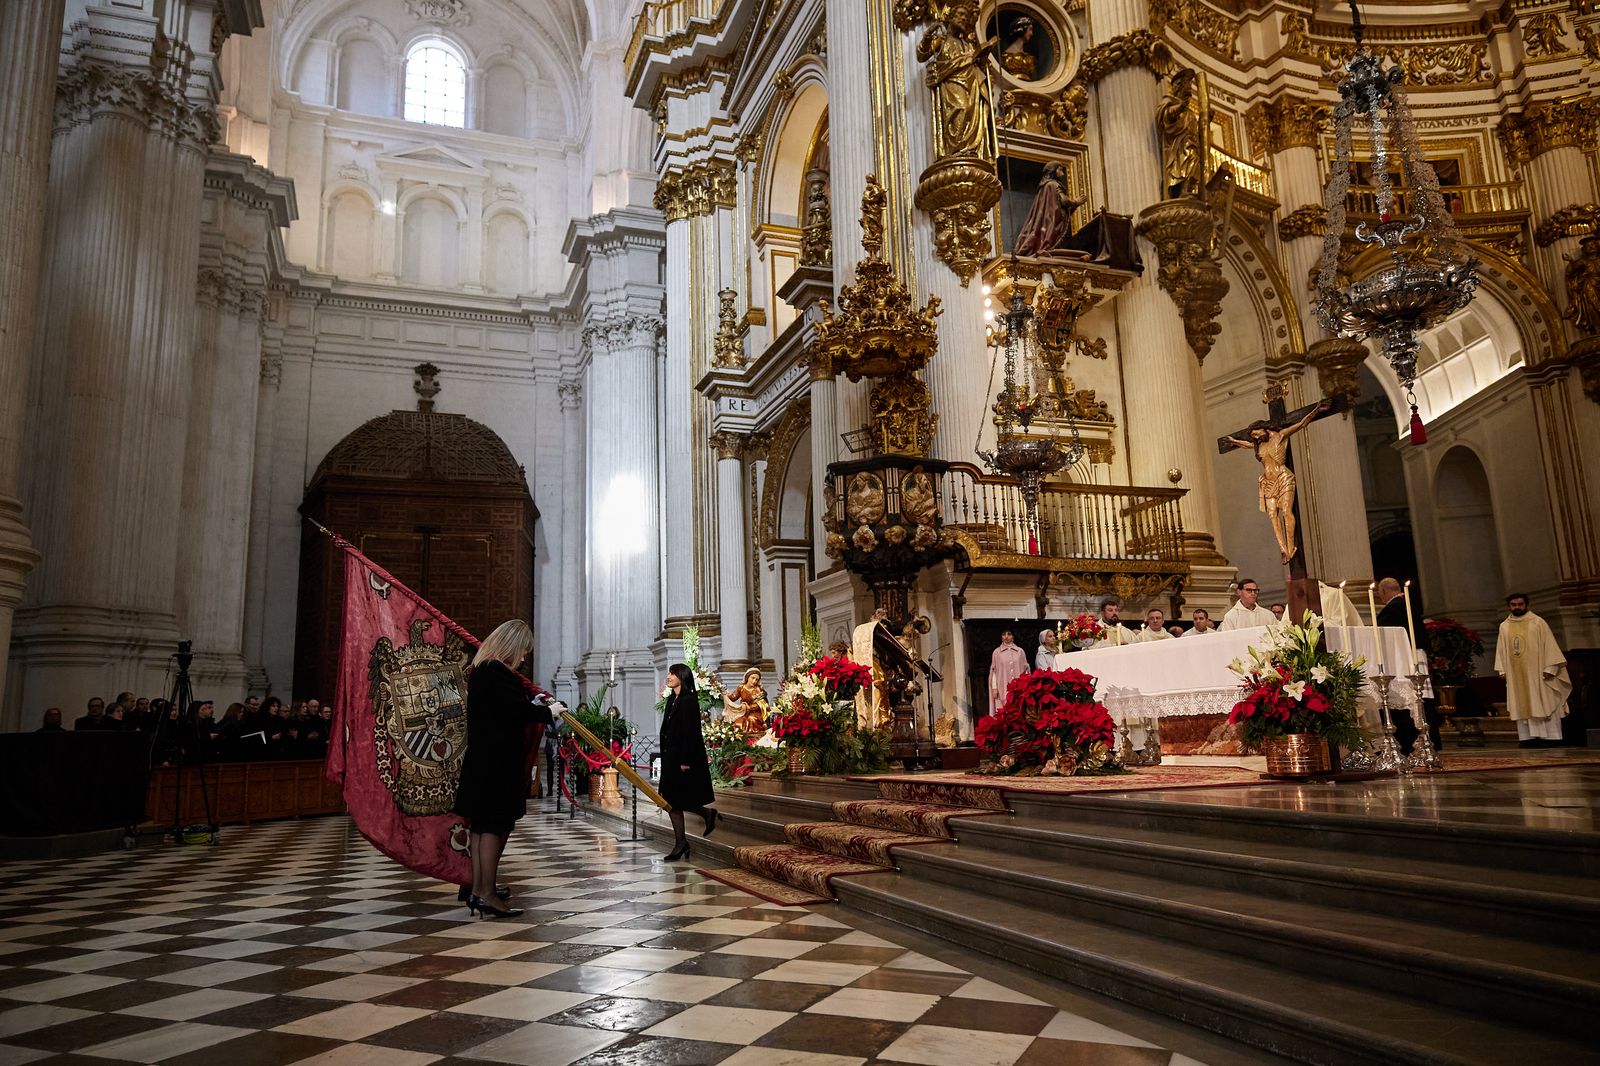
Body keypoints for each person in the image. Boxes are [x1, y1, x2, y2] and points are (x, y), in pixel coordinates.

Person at [452, 619, 552, 916]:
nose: (523, 657)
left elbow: (503, 708)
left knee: (482, 827)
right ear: (511, 645)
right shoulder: (496, 671)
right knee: (494, 826)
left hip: (483, 762)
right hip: (497, 764)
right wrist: (547, 711)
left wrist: (531, 702)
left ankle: (480, 889)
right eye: (523, 651)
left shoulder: (483, 671)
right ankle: (486, 893)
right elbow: (514, 712)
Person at [1494, 593, 1571, 748]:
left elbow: (1549, 646)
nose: (1517, 607)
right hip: (1517, 675)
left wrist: (1551, 667)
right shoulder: (1505, 626)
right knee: (1522, 702)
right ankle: (1527, 738)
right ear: (1509, 606)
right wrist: (1502, 669)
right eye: (1513, 605)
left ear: (1527, 605)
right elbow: (1501, 649)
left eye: (1520, 604)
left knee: (1544, 700)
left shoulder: (1538, 623)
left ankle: (1551, 737)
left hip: (1539, 674)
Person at [659, 663, 718, 862]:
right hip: (670, 758)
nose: (668, 677)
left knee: (674, 801)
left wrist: (685, 760)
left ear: (681, 677)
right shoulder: (671, 700)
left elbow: (691, 733)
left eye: (672, 674)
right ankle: (683, 839)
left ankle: (682, 841)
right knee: (671, 801)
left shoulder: (689, 701)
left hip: (682, 760)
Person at [1376, 578, 1437, 752]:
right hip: (1415, 653)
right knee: (1421, 696)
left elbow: (1383, 633)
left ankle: (1415, 739)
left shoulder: (1394, 607)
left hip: (1408, 657)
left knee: (1413, 696)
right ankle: (1428, 739)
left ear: (1384, 592)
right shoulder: (1406, 604)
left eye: (1380, 593)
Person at [989, 630, 1030, 712]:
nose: (1006, 636)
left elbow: (1026, 669)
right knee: (1004, 709)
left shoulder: (1020, 651)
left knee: (1018, 708)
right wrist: (994, 688)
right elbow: (994, 671)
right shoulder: (997, 652)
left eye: (1009, 634)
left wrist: (1027, 684)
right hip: (1003, 687)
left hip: (1018, 687)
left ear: (1013, 637)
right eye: (1004, 634)